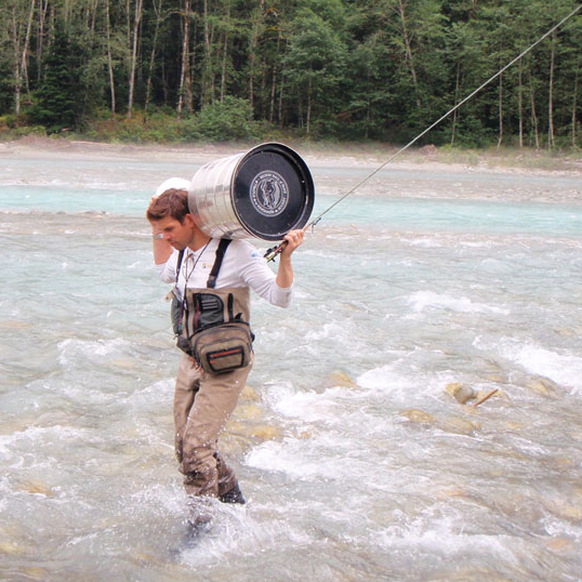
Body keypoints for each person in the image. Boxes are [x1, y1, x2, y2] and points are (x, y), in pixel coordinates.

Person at [146, 178, 304, 529]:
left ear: (191, 220)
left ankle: (200, 527)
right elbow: (162, 271)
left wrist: (287, 258)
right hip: (191, 360)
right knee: (184, 446)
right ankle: (234, 503)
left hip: (227, 366)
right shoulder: (184, 253)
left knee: (196, 447)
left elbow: (280, 298)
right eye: (161, 234)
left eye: (169, 230)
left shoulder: (238, 253)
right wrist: (155, 226)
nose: (166, 239)